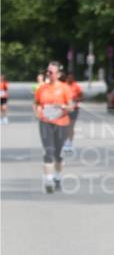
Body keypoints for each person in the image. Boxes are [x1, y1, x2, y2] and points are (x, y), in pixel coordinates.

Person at [33, 61, 73, 193]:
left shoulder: (65, 88)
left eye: (51, 72)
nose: (48, 74)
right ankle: (48, 180)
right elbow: (36, 103)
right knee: (49, 151)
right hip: (45, 122)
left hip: (61, 123)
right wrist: (37, 112)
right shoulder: (41, 88)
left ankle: (57, 177)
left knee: (58, 154)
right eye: (47, 71)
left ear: (58, 74)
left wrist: (62, 107)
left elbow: (71, 106)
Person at [62, 73, 83, 152]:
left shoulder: (76, 86)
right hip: (64, 109)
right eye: (69, 77)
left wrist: (77, 99)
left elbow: (81, 96)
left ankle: (69, 142)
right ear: (66, 78)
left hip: (74, 108)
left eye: (72, 77)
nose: (71, 79)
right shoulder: (63, 86)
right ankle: (64, 141)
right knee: (64, 125)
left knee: (71, 126)